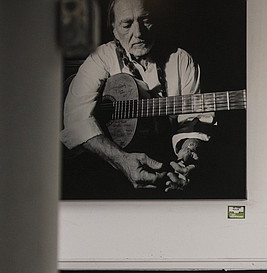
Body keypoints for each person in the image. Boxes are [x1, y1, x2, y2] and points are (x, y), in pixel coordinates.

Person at [61, 0, 215, 190]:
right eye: (127, 24)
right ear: (114, 29)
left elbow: (192, 120)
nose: (139, 33)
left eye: (146, 20)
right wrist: (121, 160)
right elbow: (76, 118)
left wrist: (189, 150)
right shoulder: (101, 58)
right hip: (105, 169)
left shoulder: (181, 60)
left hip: (166, 163)